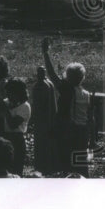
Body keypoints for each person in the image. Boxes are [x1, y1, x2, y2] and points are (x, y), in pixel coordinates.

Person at [42, 38, 94, 174]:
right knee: (81, 164)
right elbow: (90, 117)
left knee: (66, 164)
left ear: (68, 76)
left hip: (69, 131)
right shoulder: (86, 94)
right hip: (83, 132)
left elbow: (52, 74)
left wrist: (46, 53)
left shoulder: (66, 89)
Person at [30, 65, 58, 176]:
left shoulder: (45, 85)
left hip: (45, 118)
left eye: (42, 72)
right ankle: (42, 166)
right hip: (41, 118)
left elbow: (50, 104)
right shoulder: (40, 85)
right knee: (40, 143)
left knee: (45, 143)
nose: (39, 74)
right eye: (39, 72)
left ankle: (45, 166)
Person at [1, 77, 31, 176]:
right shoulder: (7, 102)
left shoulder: (25, 107)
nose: (8, 95)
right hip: (5, 138)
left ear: (18, 92)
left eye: (11, 92)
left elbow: (13, 124)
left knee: (16, 171)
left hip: (17, 140)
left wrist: (5, 109)